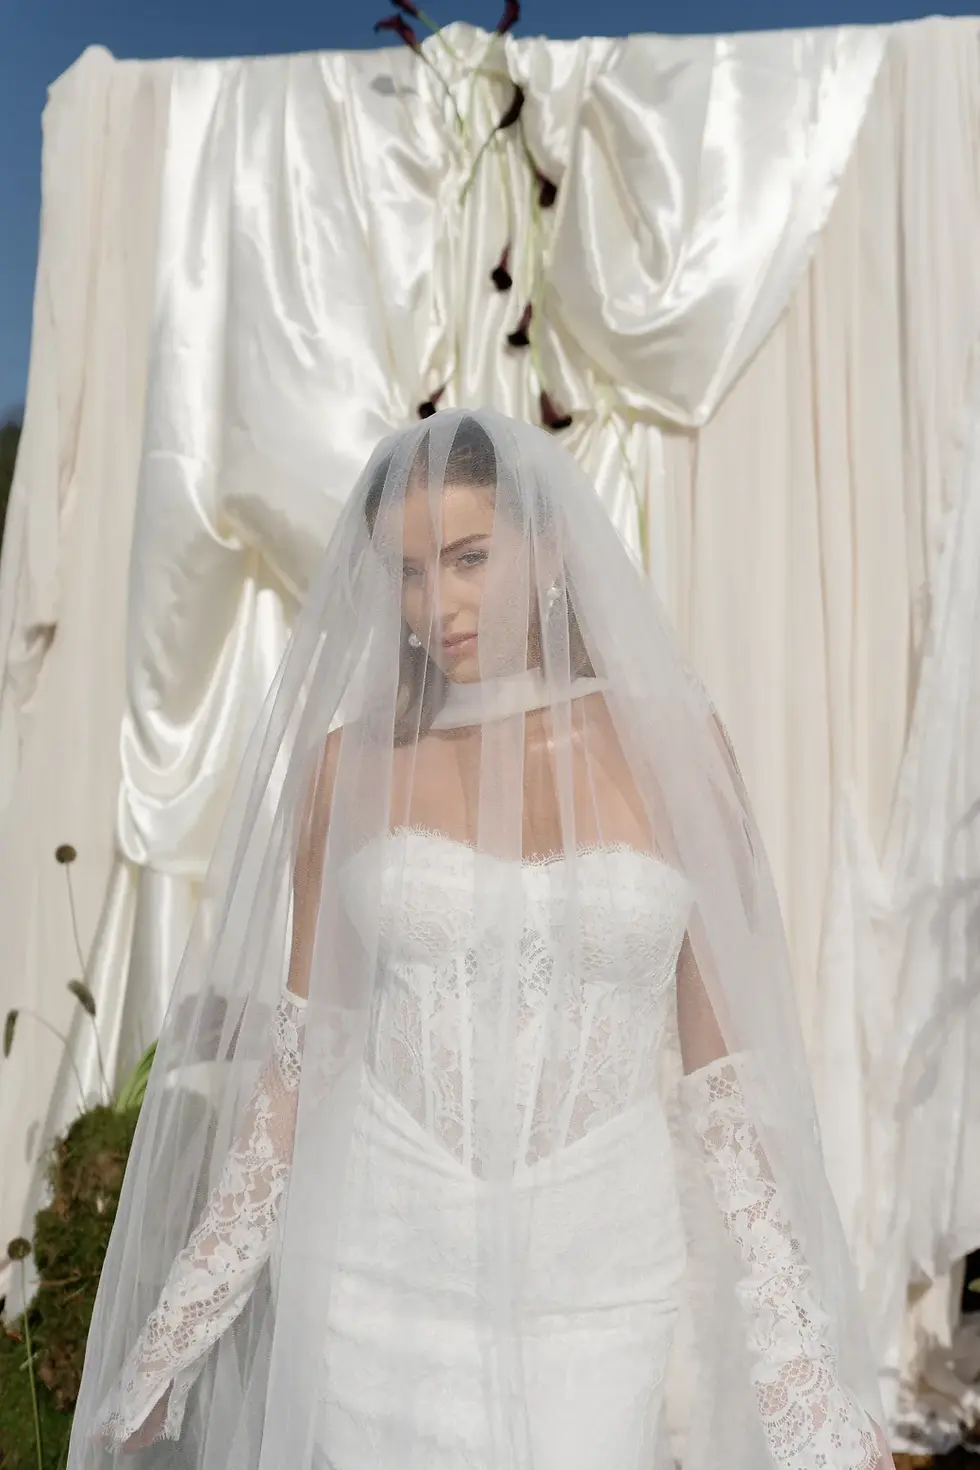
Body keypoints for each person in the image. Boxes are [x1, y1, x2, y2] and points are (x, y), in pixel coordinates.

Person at [68, 408, 894, 1470]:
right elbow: (299, 1065)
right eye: (405, 574)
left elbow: (728, 1079)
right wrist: (174, 1334)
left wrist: (801, 1375)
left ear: (547, 546)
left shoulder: (675, 746)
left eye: (467, 558)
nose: (435, 605)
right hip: (373, 1267)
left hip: (597, 1280)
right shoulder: (347, 765)